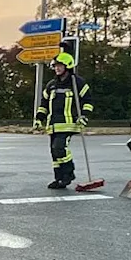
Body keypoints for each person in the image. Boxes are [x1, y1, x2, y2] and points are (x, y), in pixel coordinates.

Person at [34, 52, 93, 189]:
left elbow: (87, 101)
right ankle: (59, 178)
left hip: (69, 124)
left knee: (59, 148)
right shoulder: (51, 85)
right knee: (54, 153)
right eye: (55, 66)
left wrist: (84, 116)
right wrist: (39, 119)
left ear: (68, 66)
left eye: (60, 65)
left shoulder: (77, 82)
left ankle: (68, 173)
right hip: (53, 124)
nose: (57, 68)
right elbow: (44, 103)